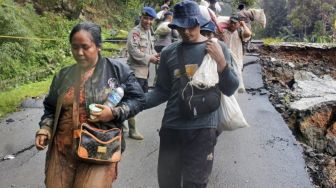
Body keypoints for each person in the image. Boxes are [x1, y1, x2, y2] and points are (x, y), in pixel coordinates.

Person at [34, 22, 145, 188]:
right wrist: (45, 129)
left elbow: (138, 99)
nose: (79, 53)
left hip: (99, 148)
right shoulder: (63, 75)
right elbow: (50, 107)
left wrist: (114, 112)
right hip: (62, 149)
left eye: (85, 47)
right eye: (75, 47)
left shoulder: (117, 71)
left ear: (98, 46)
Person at [144, 1, 239, 187]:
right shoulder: (168, 52)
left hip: (203, 130)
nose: (186, 32)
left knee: (195, 184)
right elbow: (161, 91)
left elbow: (230, 88)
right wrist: (133, 104)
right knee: (167, 183)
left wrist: (220, 61)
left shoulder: (218, 48)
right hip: (171, 128)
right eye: (181, 27)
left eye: (191, 25)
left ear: (200, 23)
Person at [126, 6, 160, 140]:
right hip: (135, 72)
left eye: (151, 19)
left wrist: (155, 56)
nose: (148, 21)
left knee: (138, 100)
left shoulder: (149, 32)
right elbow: (133, 50)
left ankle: (122, 122)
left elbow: (150, 50)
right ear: (141, 17)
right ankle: (132, 130)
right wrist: (148, 58)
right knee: (133, 101)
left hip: (144, 73)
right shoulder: (135, 32)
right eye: (146, 18)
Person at [218, 14, 252, 93]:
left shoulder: (240, 32)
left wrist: (243, 24)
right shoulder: (224, 32)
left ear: (238, 24)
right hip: (225, 57)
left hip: (237, 57)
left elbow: (248, 34)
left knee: (237, 74)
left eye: (235, 23)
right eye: (231, 22)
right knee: (226, 74)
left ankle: (236, 89)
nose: (232, 24)